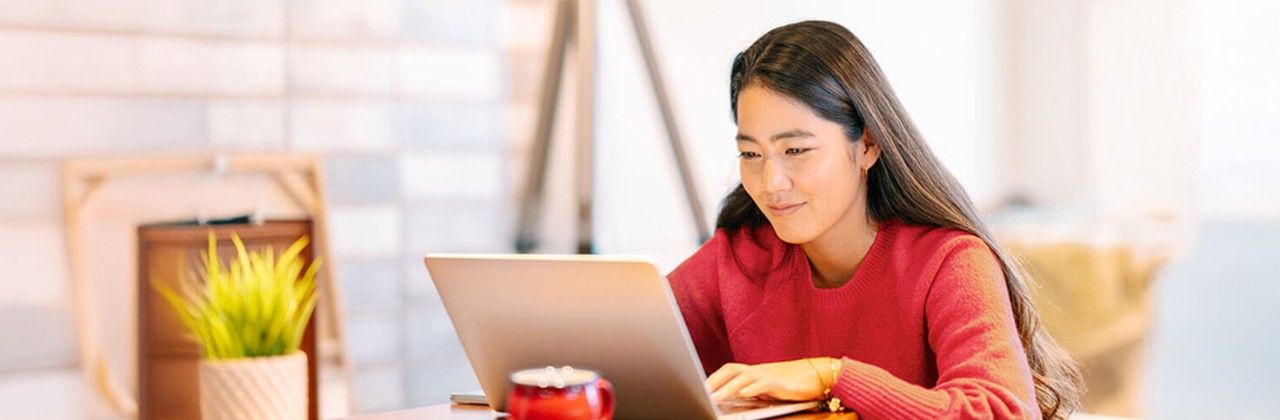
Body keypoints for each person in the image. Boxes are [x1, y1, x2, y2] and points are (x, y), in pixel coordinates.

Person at [666, 20, 1083, 419]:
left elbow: (1000, 412)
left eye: (796, 151)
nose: (771, 183)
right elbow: (622, 355)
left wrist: (830, 376)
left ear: (867, 145)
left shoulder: (949, 261)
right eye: (751, 154)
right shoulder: (739, 258)